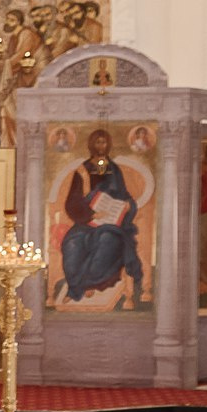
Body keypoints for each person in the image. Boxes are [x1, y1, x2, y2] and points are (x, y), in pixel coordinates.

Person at [56, 128, 145, 308]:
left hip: (111, 224)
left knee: (107, 241)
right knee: (71, 244)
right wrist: (91, 214)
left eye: (104, 142)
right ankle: (76, 285)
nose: (101, 146)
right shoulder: (82, 171)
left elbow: (124, 195)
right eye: (98, 142)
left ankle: (86, 285)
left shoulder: (114, 170)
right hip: (86, 222)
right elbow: (71, 202)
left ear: (108, 145)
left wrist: (128, 204)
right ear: (91, 144)